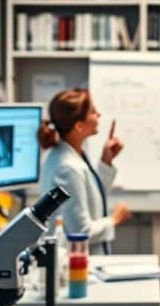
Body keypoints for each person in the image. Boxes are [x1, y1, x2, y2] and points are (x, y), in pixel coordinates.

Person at [38, 88, 131, 255]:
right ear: (79, 126)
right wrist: (114, 219)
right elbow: (80, 232)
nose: (99, 115)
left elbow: (89, 195)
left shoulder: (68, 154)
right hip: (80, 265)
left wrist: (106, 160)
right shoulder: (67, 168)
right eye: (93, 112)